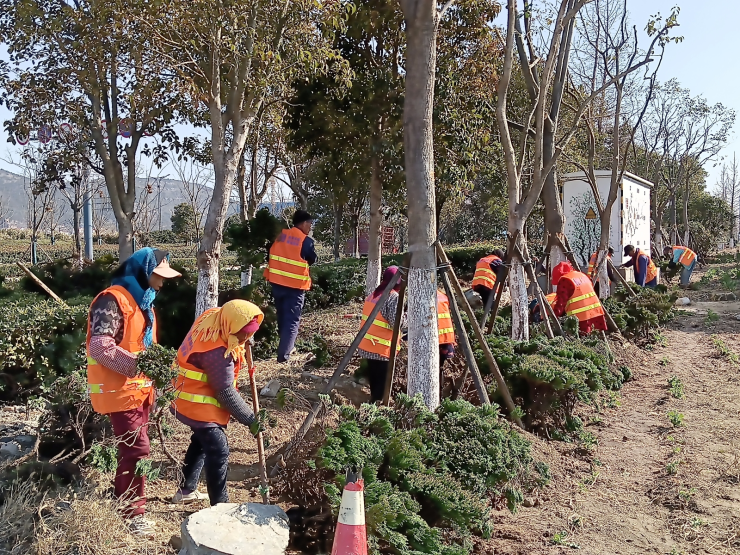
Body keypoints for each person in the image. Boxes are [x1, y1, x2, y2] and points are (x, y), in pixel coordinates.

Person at [86, 248, 181, 536]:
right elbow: (99, 346)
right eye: (158, 276)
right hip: (118, 389)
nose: (162, 283)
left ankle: (122, 500)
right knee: (138, 450)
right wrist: (140, 366)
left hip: (138, 391)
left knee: (131, 450)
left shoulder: (143, 303)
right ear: (143, 271)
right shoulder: (111, 301)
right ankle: (132, 512)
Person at [170, 300, 264, 507]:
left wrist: (245, 338)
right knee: (218, 449)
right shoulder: (216, 353)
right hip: (197, 403)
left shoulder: (213, 317)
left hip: (185, 392)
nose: (245, 339)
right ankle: (220, 506)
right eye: (243, 334)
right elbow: (225, 392)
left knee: (201, 441)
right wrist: (250, 419)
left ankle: (186, 489)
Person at [264, 210, 318, 363]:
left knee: (282, 317)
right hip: (294, 287)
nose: (310, 228)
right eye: (310, 224)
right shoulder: (305, 241)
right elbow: (312, 259)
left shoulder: (281, 236)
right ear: (304, 223)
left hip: (277, 284)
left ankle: (286, 347)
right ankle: (284, 357)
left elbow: (270, 255)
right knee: (292, 321)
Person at [357, 266, 406, 402]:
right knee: (382, 386)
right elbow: (398, 323)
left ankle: (373, 404)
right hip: (381, 348)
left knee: (375, 380)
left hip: (368, 345)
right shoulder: (392, 297)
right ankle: (378, 410)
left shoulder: (374, 294)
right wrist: (410, 317)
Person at [550, 261, 607, 336]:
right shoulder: (581, 275)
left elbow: (561, 303)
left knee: (583, 341)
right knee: (595, 337)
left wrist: (553, 317)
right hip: (596, 313)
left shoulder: (564, 280)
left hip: (581, 317)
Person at [437, 290, 456, 399]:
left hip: (437, 339)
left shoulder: (420, 296)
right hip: (446, 338)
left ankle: (438, 395)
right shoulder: (442, 295)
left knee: (435, 369)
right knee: (439, 367)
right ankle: (440, 395)